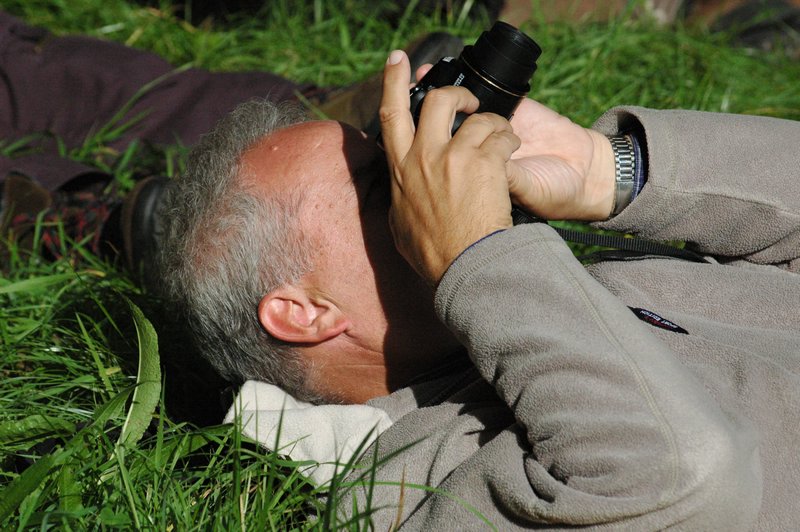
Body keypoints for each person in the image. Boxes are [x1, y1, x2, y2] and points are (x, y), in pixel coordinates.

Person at [159, 46, 799, 528]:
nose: (421, 177)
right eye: (380, 186)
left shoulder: (572, 282)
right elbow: (686, 478)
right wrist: (475, 254)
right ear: (303, 313)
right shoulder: (407, 486)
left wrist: (609, 171)